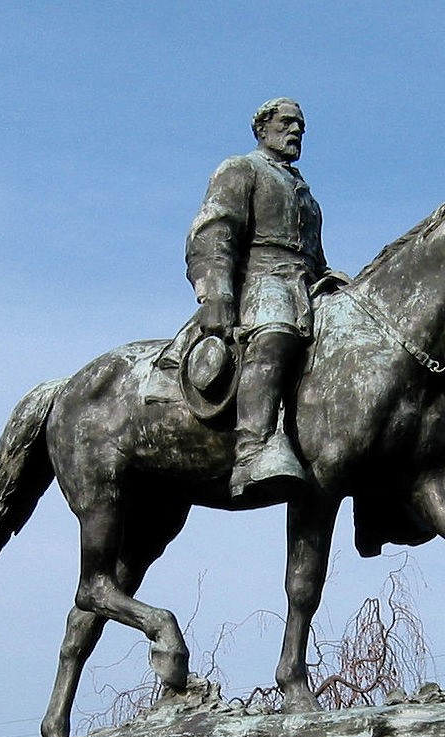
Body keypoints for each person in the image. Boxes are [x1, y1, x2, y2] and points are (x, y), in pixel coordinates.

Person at [186, 98, 340, 502]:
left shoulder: (306, 194)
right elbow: (213, 233)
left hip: (305, 284)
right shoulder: (242, 169)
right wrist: (215, 292)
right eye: (287, 123)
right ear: (262, 128)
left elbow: (314, 256)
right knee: (277, 332)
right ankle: (252, 450)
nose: (295, 132)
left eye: (300, 127)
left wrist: (333, 281)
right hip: (261, 282)